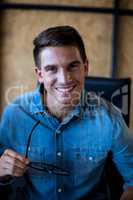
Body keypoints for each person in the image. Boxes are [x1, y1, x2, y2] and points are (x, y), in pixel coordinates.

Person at [0, 25, 133, 200]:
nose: (64, 79)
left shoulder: (110, 117)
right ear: (39, 74)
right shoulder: (14, 115)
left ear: (85, 68)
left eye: (72, 66)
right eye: (51, 69)